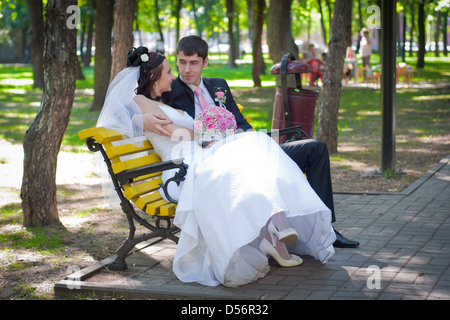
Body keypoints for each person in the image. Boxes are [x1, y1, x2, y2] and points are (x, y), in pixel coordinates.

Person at [97, 46, 337, 287]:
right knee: (249, 151)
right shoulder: (140, 101)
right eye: (170, 71)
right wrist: (139, 119)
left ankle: (278, 229)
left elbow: (182, 130)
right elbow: (174, 132)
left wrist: (209, 134)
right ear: (153, 78)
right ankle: (277, 231)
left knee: (254, 147)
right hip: (182, 167)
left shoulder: (162, 101)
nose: (174, 75)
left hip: (199, 154)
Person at [151, 35, 358, 249]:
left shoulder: (218, 85)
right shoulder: (170, 91)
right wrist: (143, 117)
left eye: (193, 63)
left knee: (315, 149)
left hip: (250, 149)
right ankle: (280, 232)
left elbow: (242, 125)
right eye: (182, 62)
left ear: (205, 62)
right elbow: (143, 97)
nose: (186, 70)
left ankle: (327, 228)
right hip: (221, 162)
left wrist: (233, 133)